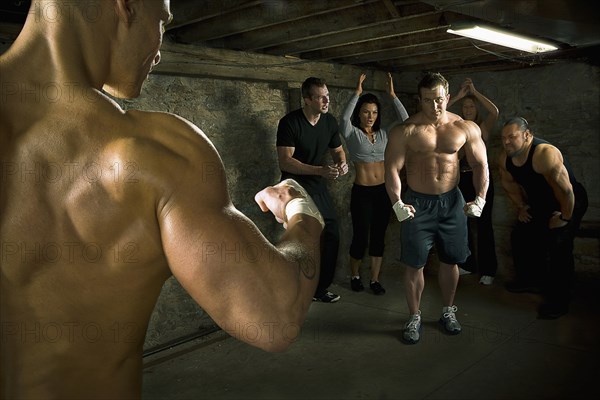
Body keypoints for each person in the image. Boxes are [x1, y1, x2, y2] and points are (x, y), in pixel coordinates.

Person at [0, 1, 324, 398]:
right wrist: (301, 211)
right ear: (125, 5)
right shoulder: (152, 154)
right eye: (163, 21)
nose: (158, 48)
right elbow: (274, 315)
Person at [384, 72, 489, 344]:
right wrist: (397, 202)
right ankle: (414, 316)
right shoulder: (405, 130)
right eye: (428, 101)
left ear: (448, 97)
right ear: (420, 100)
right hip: (417, 204)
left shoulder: (465, 127)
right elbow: (392, 169)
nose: (435, 106)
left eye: (439, 100)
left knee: (451, 260)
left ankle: (447, 311)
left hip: (452, 202)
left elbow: (480, 164)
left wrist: (480, 198)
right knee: (414, 264)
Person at [499, 117, 588, 319]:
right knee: (520, 235)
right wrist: (522, 207)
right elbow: (509, 185)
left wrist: (565, 217)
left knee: (559, 243)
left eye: (512, 137)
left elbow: (567, 192)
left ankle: (560, 299)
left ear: (527, 135)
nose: (506, 142)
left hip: (570, 202)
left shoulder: (544, 154)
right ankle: (529, 280)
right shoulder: (506, 158)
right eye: (503, 138)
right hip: (541, 202)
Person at [276, 77, 349, 303]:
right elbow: (285, 162)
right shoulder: (290, 122)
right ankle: (295, 288)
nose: (327, 100)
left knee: (332, 233)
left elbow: (338, 151)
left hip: (316, 185)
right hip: (294, 186)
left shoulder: (329, 122)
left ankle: (318, 289)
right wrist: (320, 170)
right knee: (304, 238)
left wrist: (342, 164)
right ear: (307, 100)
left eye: (327, 95)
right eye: (320, 96)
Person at [340, 73, 409, 295]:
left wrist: (392, 96)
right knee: (360, 235)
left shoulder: (384, 134)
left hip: (383, 192)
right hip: (362, 193)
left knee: (379, 236)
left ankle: (375, 280)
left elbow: (406, 121)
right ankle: (355, 275)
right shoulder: (352, 134)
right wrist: (357, 94)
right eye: (366, 112)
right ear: (359, 113)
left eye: (374, 112)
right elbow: (343, 119)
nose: (370, 116)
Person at [447, 78, 499, 285]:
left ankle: (489, 270)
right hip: (462, 178)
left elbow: (495, 112)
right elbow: (438, 112)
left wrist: (474, 92)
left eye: (471, 106)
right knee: (463, 224)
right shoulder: (457, 125)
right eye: (465, 106)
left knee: (484, 225)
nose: (468, 109)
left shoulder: (482, 128)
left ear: (476, 109)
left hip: (481, 180)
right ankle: (468, 264)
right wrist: (458, 96)